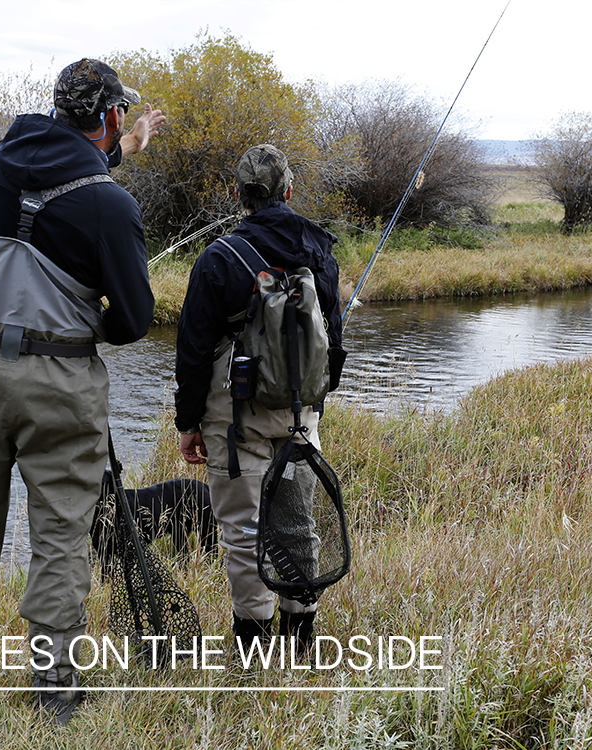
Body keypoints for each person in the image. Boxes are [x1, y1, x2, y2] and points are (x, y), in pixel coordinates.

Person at [0, 58, 165, 725]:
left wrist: (124, 148)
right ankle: (53, 687)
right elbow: (134, 322)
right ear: (111, 116)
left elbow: (62, 173)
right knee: (59, 528)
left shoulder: (4, 162)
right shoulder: (110, 206)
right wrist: (96, 316)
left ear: (59, 111)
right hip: (58, 376)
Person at [175, 144, 343, 652]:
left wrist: (188, 422)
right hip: (299, 414)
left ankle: (254, 644)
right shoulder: (320, 251)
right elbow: (333, 343)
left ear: (240, 196)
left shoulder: (218, 258)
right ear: (288, 191)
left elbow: (194, 349)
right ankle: (302, 634)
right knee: (296, 522)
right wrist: (313, 399)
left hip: (235, 416)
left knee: (244, 532)